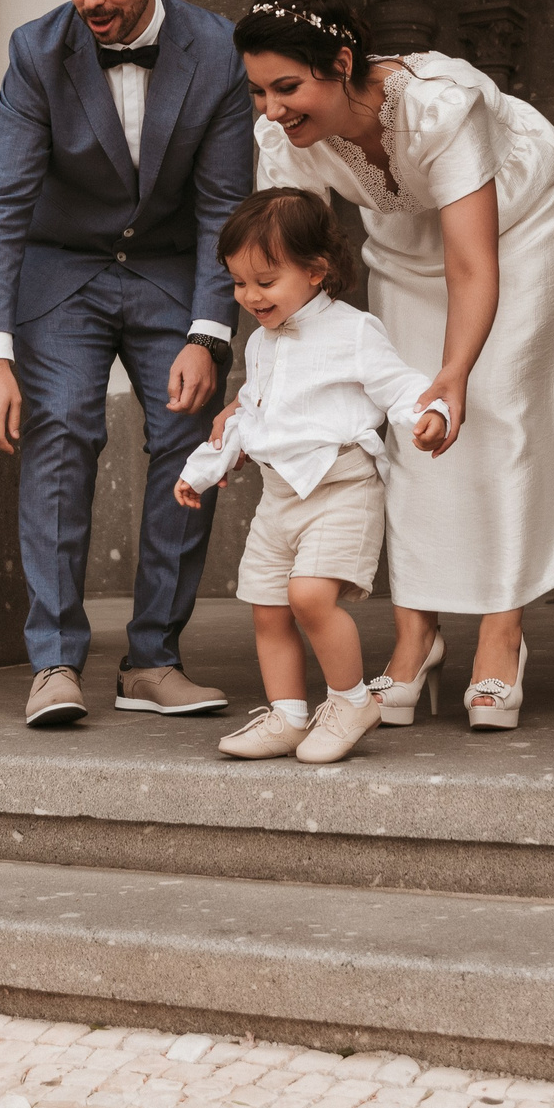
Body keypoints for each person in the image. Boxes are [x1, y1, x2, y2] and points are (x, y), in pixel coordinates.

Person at [233, 0, 554, 729]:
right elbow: (279, 267)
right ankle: (417, 634)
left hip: (519, 221)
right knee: (409, 426)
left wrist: (456, 370)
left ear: (340, 64)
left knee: (496, 406)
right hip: (407, 235)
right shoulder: (282, 138)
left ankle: (501, 634)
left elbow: (472, 264)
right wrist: (258, 391)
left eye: (286, 87)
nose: (272, 109)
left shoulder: (441, 106)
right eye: (258, 91)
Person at [0, 0, 254, 727]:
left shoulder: (218, 49)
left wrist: (210, 333)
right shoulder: (36, 51)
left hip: (170, 270)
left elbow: (224, 207)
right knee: (60, 426)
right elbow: (2, 202)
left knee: (189, 439)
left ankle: (153, 659)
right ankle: (55, 662)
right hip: (63, 272)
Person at [174, 189, 449, 765]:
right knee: (268, 607)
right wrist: (201, 470)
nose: (250, 297)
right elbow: (249, 413)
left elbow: (398, 385)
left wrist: (430, 414)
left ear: (316, 271)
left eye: (265, 281)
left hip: (341, 487)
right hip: (278, 498)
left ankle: (351, 702)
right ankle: (288, 716)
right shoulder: (261, 342)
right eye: (238, 283)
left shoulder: (353, 330)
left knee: (308, 597)